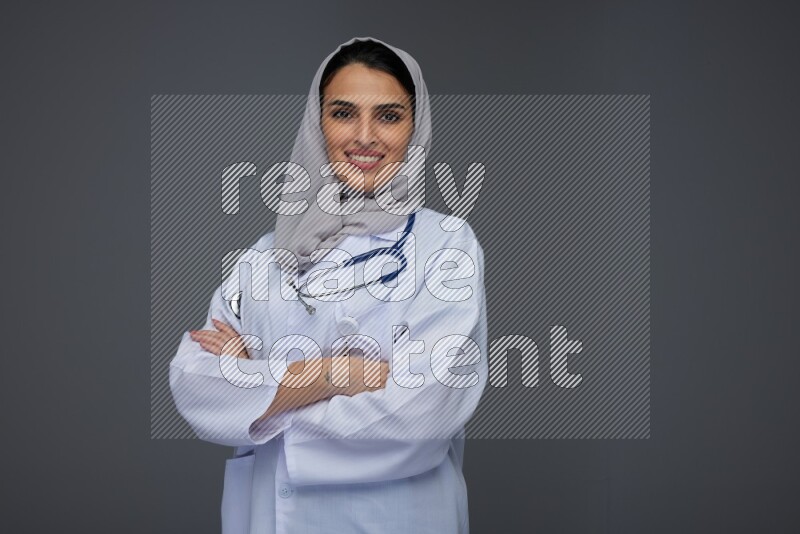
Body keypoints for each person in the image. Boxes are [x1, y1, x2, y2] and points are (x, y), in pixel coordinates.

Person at [169, 36, 488, 533]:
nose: (365, 136)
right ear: (318, 124)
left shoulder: (445, 245)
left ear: (415, 126)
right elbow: (195, 386)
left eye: (388, 116)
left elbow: (427, 407)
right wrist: (337, 373)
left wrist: (263, 401)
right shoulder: (265, 254)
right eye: (343, 113)